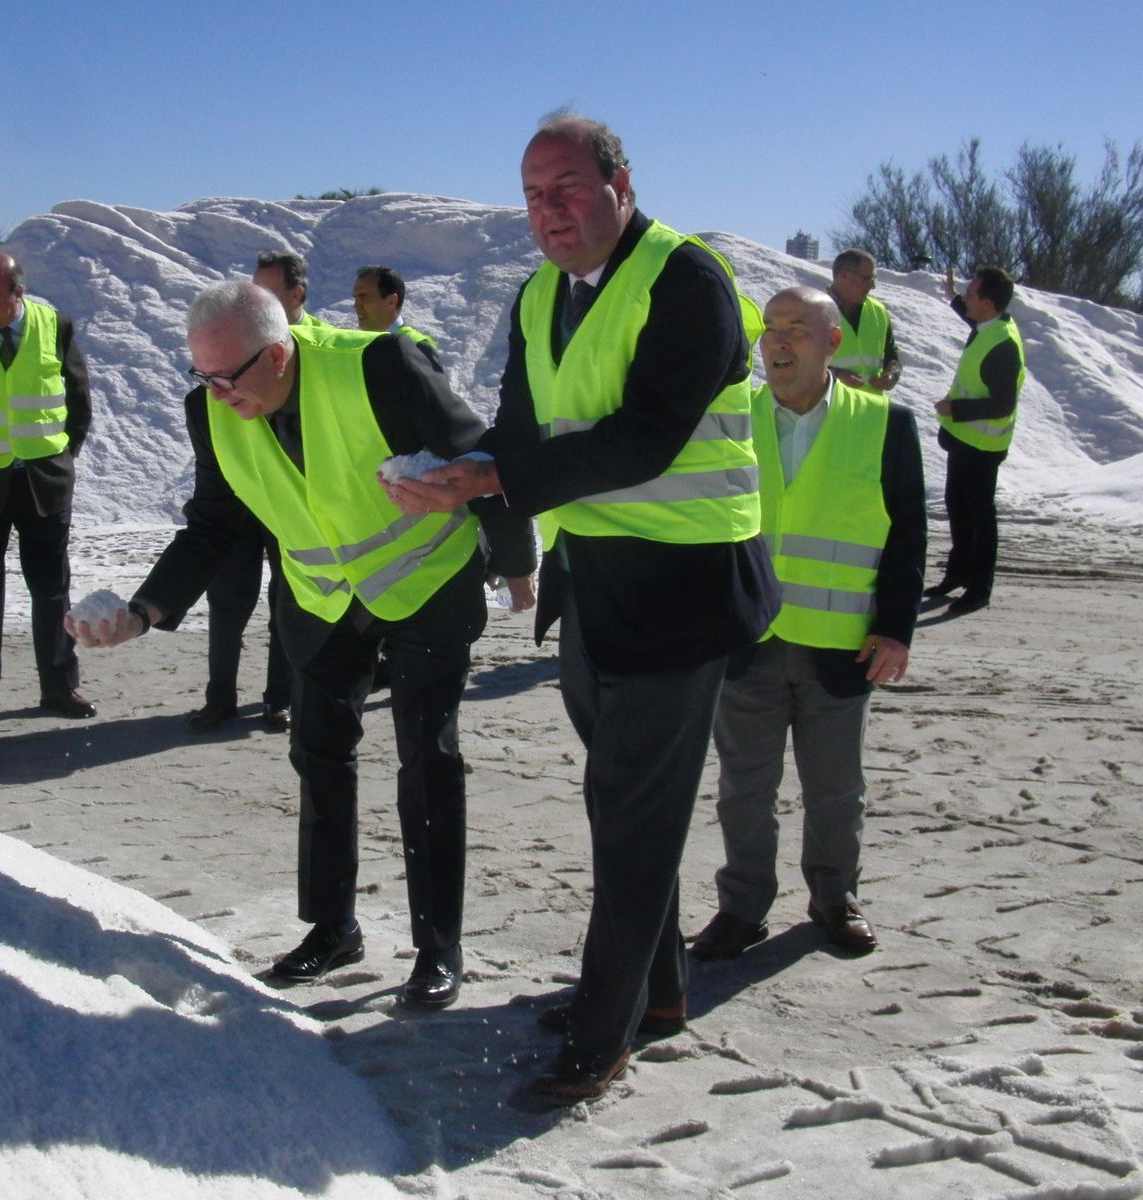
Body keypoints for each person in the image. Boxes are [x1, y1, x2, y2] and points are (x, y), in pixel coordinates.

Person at [385, 113, 779, 1103]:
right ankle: (654, 996)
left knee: (634, 817)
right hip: (594, 588)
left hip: (682, 593)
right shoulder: (539, 297)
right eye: (530, 194)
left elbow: (642, 441)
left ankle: (599, 1038)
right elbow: (522, 433)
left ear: (620, 183)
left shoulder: (688, 284)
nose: (546, 211)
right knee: (619, 804)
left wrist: (487, 478)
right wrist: (463, 476)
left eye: (563, 187)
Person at [70, 281, 535, 1010]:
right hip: (320, 601)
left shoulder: (382, 364)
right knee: (318, 755)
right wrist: (144, 610)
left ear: (280, 351)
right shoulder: (212, 411)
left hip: (427, 582)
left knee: (427, 759)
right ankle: (331, 927)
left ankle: (438, 948)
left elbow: (478, 457)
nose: (218, 393)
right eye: (204, 376)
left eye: (231, 376)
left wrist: (515, 564)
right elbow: (215, 525)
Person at [691, 287, 925, 964]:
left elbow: (907, 537)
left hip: (842, 647)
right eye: (771, 330)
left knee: (835, 790)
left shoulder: (883, 423)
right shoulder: (730, 421)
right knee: (744, 787)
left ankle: (834, 899)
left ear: (831, 343)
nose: (780, 342)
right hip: (748, 643)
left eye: (797, 329)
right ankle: (742, 908)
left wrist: (897, 629)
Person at [0, 251, 95, 718]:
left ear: (18, 293)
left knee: (51, 589)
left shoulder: (55, 325)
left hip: (43, 480)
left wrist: (65, 455)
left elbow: (77, 397)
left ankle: (58, 687)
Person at [185, 255, 310, 735]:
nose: (262, 302)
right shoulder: (219, 378)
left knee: (288, 598)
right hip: (235, 506)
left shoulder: (311, 357)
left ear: (297, 297)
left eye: (272, 293)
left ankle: (280, 698)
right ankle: (220, 696)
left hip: (285, 505)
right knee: (229, 599)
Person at [926, 266, 1025, 615]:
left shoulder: (1002, 345)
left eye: (970, 294)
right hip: (964, 441)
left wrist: (956, 408)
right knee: (959, 509)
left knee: (980, 518)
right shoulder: (990, 326)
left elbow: (1002, 404)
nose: (965, 298)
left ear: (986, 303)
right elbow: (974, 324)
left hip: (983, 446)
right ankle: (958, 573)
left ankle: (979, 587)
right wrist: (953, 296)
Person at [827, 249, 902, 393]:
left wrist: (892, 375)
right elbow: (798, 362)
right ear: (843, 275)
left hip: (869, 408)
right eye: (868, 279)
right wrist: (836, 374)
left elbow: (892, 357)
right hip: (829, 406)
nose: (873, 286)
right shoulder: (814, 309)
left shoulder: (878, 311)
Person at [353, 265, 441, 368]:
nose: (356, 305)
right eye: (355, 298)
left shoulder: (417, 347)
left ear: (391, 301)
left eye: (363, 296)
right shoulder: (358, 347)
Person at [252, 251, 324, 327]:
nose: (256, 302)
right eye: (253, 292)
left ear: (297, 294)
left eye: (266, 294)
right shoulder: (242, 332)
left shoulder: (327, 337)